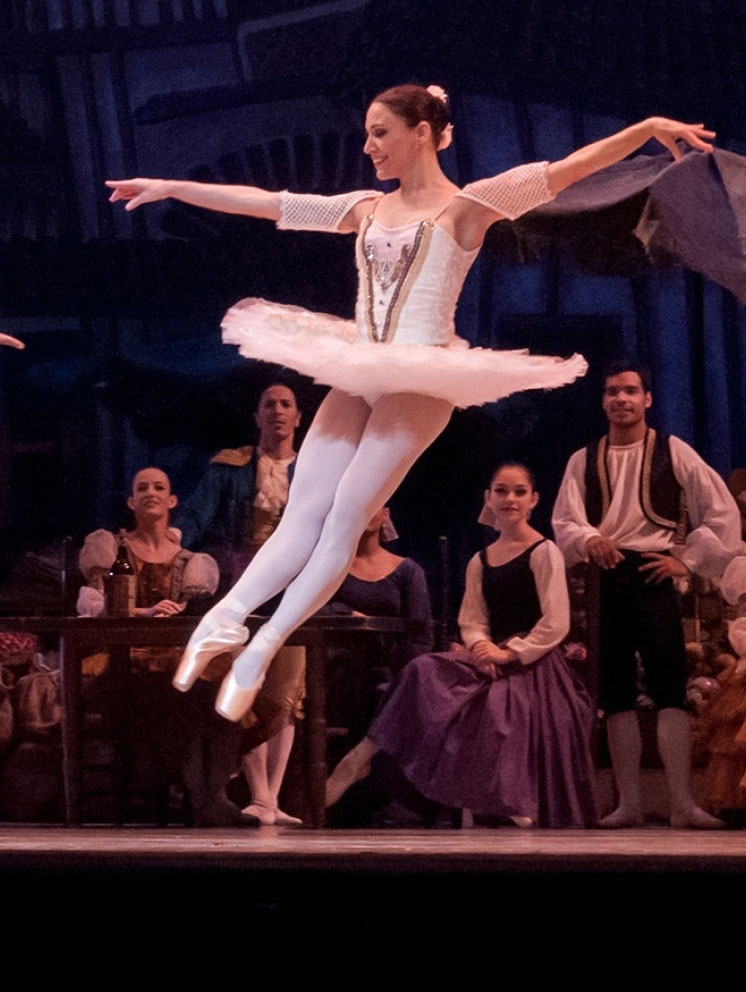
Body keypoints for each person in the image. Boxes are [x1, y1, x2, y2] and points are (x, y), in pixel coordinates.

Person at [107, 84, 717, 728]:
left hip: (422, 377)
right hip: (361, 364)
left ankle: (263, 646)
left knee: (345, 518)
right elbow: (268, 203)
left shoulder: (469, 207)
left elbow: (566, 171)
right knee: (302, 513)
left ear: (421, 132)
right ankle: (227, 619)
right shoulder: (365, 209)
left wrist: (645, 127)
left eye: (380, 132)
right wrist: (171, 186)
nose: (368, 146)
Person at [325, 463, 597, 828]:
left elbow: (555, 621)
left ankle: (509, 797)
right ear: (488, 498)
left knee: (500, 706)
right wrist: (482, 648)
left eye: (519, 492)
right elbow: (473, 619)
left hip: (533, 659)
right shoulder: (480, 560)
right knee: (422, 670)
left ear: (533, 500)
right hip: (491, 654)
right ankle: (362, 755)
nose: (510, 499)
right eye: (501, 491)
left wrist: (510, 652)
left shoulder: (544, 551)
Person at [551, 361, 742, 828]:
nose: (621, 399)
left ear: (648, 399)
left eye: (631, 391)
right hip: (607, 576)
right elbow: (566, 520)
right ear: (603, 401)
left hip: (654, 573)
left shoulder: (673, 450)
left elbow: (720, 512)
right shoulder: (583, 459)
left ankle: (682, 804)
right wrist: (589, 539)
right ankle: (629, 804)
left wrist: (686, 561)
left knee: (669, 687)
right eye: (612, 391)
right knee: (616, 690)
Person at [77, 467, 255, 827]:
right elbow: (92, 605)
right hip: (122, 661)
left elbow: (201, 615)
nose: (150, 493)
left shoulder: (189, 562)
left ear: (172, 501)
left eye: (159, 487)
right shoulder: (113, 549)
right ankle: (195, 793)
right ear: (131, 502)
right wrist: (144, 613)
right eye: (142, 487)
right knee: (179, 694)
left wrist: (182, 615)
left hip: (173, 658)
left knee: (224, 692)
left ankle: (211, 792)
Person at [175, 381, 304, 826]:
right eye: (268, 404)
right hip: (241, 586)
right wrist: (175, 537)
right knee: (243, 679)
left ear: (298, 417)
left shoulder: (312, 469)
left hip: (294, 588)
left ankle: (272, 798)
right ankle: (259, 796)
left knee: (287, 691)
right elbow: (197, 513)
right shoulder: (231, 467)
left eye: (285, 404)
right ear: (257, 416)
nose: (277, 411)